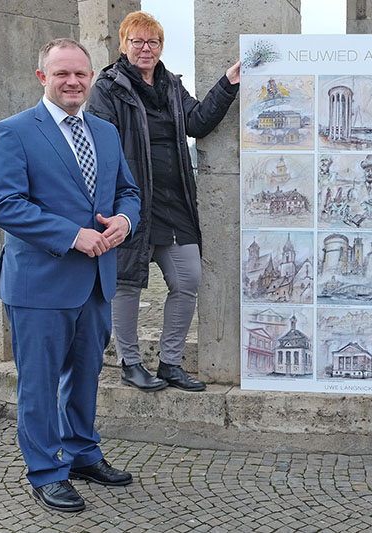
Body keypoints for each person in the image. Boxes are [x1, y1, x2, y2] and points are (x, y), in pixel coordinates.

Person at [0, 38, 141, 512]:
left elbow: (128, 191)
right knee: (39, 381)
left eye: (81, 74)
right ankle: (46, 471)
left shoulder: (105, 132)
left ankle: (80, 453)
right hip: (40, 283)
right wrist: (73, 235)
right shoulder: (12, 132)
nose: (73, 82)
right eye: (62, 74)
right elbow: (3, 204)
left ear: (91, 77)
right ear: (42, 78)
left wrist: (125, 221)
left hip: (96, 280)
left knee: (86, 374)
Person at [87, 11, 241, 392]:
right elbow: (101, 145)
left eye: (152, 42)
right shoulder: (108, 87)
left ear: (160, 47)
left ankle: (170, 363)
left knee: (187, 278)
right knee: (127, 284)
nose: (145, 48)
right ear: (123, 45)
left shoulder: (171, 85)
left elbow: (198, 122)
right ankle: (130, 363)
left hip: (174, 202)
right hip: (132, 202)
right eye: (137, 41)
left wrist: (228, 83)